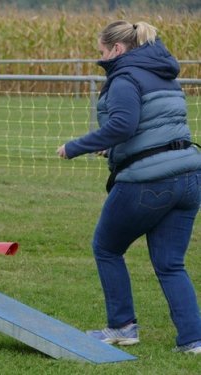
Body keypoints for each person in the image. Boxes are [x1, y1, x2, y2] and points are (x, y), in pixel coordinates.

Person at [57, 20, 201, 354]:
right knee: (170, 264)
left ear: (117, 50)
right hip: (189, 179)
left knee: (107, 247)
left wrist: (75, 146)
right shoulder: (165, 74)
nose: (102, 57)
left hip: (149, 182)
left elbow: (122, 124)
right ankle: (194, 340)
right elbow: (155, 127)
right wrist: (114, 148)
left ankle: (122, 326)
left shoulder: (124, 77)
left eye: (102, 52)